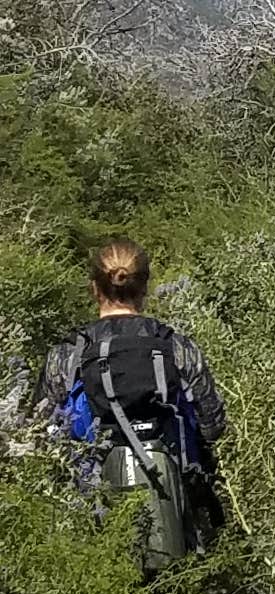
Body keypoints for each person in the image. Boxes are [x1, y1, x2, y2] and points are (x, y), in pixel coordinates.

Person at [38, 241, 229, 574]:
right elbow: (213, 424)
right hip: (178, 514)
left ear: (93, 287)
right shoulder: (176, 347)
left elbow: (38, 431)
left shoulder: (66, 357)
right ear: (146, 285)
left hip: (91, 509)